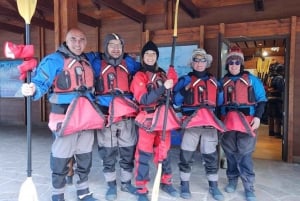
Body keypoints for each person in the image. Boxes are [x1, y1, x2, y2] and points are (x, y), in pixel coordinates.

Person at [21, 28, 104, 201]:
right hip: (64, 116)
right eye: (73, 39)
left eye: (82, 39)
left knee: (84, 156)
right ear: (66, 41)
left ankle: (83, 192)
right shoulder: (54, 60)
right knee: (61, 157)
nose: (78, 43)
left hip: (87, 117)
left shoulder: (87, 61)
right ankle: (58, 195)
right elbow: (39, 82)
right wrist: (32, 88)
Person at [86, 33, 140, 201]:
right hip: (106, 116)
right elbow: (79, 59)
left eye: (119, 45)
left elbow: (147, 69)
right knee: (107, 152)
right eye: (112, 45)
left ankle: (126, 182)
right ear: (105, 47)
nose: (116, 49)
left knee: (127, 150)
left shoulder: (130, 64)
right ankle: (110, 185)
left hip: (127, 117)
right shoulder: (96, 63)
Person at [173, 48, 226, 200]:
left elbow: (220, 102)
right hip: (191, 124)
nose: (199, 63)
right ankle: (184, 185)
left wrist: (221, 91)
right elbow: (176, 101)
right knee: (186, 156)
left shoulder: (214, 81)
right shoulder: (184, 80)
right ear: (192, 63)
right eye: (196, 60)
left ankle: (214, 186)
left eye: (202, 60)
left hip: (209, 125)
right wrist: (184, 90)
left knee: (210, 156)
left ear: (207, 63)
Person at [130, 41, 180, 201]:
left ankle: (166, 181)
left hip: (164, 119)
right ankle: (141, 188)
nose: (150, 57)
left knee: (164, 152)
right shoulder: (140, 76)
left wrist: (172, 80)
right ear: (143, 57)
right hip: (147, 120)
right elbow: (144, 99)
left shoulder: (162, 74)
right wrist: (163, 87)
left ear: (157, 57)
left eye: (153, 54)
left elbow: (170, 93)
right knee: (143, 154)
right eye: (147, 54)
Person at [218, 46, 267, 201]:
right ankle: (232, 180)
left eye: (237, 62)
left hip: (247, 121)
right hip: (228, 122)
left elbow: (262, 100)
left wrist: (258, 118)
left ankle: (248, 186)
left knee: (245, 155)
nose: (234, 65)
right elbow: (217, 104)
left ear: (241, 64)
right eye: (231, 62)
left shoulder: (252, 80)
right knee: (231, 154)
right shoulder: (222, 82)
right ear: (227, 65)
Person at [267, 63, 285, 138]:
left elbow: (269, 88)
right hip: (277, 99)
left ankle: (271, 132)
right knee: (277, 117)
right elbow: (281, 89)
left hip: (270, 99)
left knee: (270, 116)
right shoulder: (280, 78)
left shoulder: (270, 77)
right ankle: (277, 133)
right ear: (281, 71)